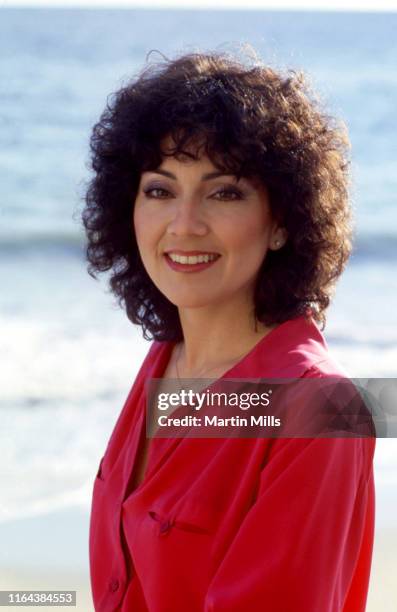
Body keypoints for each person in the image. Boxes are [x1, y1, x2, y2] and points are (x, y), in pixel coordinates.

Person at [83, 50, 376, 611]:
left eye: (225, 192)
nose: (185, 224)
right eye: (160, 190)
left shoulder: (320, 409)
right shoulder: (167, 362)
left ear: (283, 223)